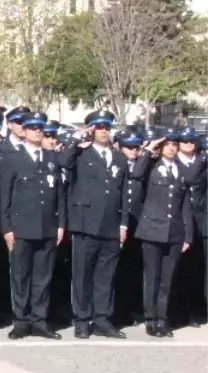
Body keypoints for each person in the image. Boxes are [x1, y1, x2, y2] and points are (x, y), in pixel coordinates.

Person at [59, 110, 129, 339]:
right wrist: (77, 139)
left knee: (105, 275)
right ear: (91, 129)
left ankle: (102, 319)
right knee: (82, 275)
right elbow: (63, 162)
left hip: (110, 224)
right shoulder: (80, 154)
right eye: (98, 127)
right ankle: (81, 319)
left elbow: (123, 194)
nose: (103, 131)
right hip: (85, 224)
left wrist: (123, 224)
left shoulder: (119, 158)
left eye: (107, 127)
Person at [0, 111, 65, 340]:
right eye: (33, 128)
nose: (38, 131)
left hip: (47, 226)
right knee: (20, 276)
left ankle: (40, 320)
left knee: (42, 277)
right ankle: (21, 320)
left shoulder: (51, 158)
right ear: (23, 131)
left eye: (40, 128)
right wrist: (6, 228)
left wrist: (61, 223)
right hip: (21, 227)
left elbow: (60, 195)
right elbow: (4, 196)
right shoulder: (13, 159)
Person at [136, 134, 201, 337]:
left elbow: (185, 206)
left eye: (174, 145)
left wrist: (188, 235)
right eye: (168, 145)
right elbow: (136, 174)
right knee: (152, 277)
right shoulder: (151, 166)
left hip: (174, 232)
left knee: (167, 279)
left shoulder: (181, 170)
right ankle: (150, 319)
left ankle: (162, 319)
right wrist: (148, 150)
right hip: (152, 230)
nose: (172, 149)